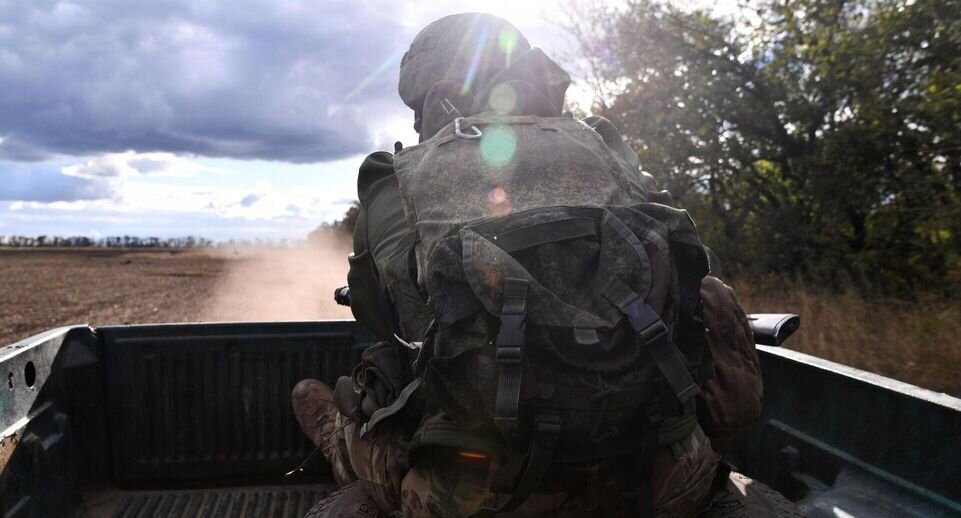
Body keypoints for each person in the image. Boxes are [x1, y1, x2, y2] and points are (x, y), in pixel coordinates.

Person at [292, 13, 798, 518]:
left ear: (437, 94)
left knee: (342, 405)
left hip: (479, 499)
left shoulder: (393, 176)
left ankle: (337, 439)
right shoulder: (602, 143)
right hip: (663, 479)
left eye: (417, 106)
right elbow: (695, 268)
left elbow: (383, 318)